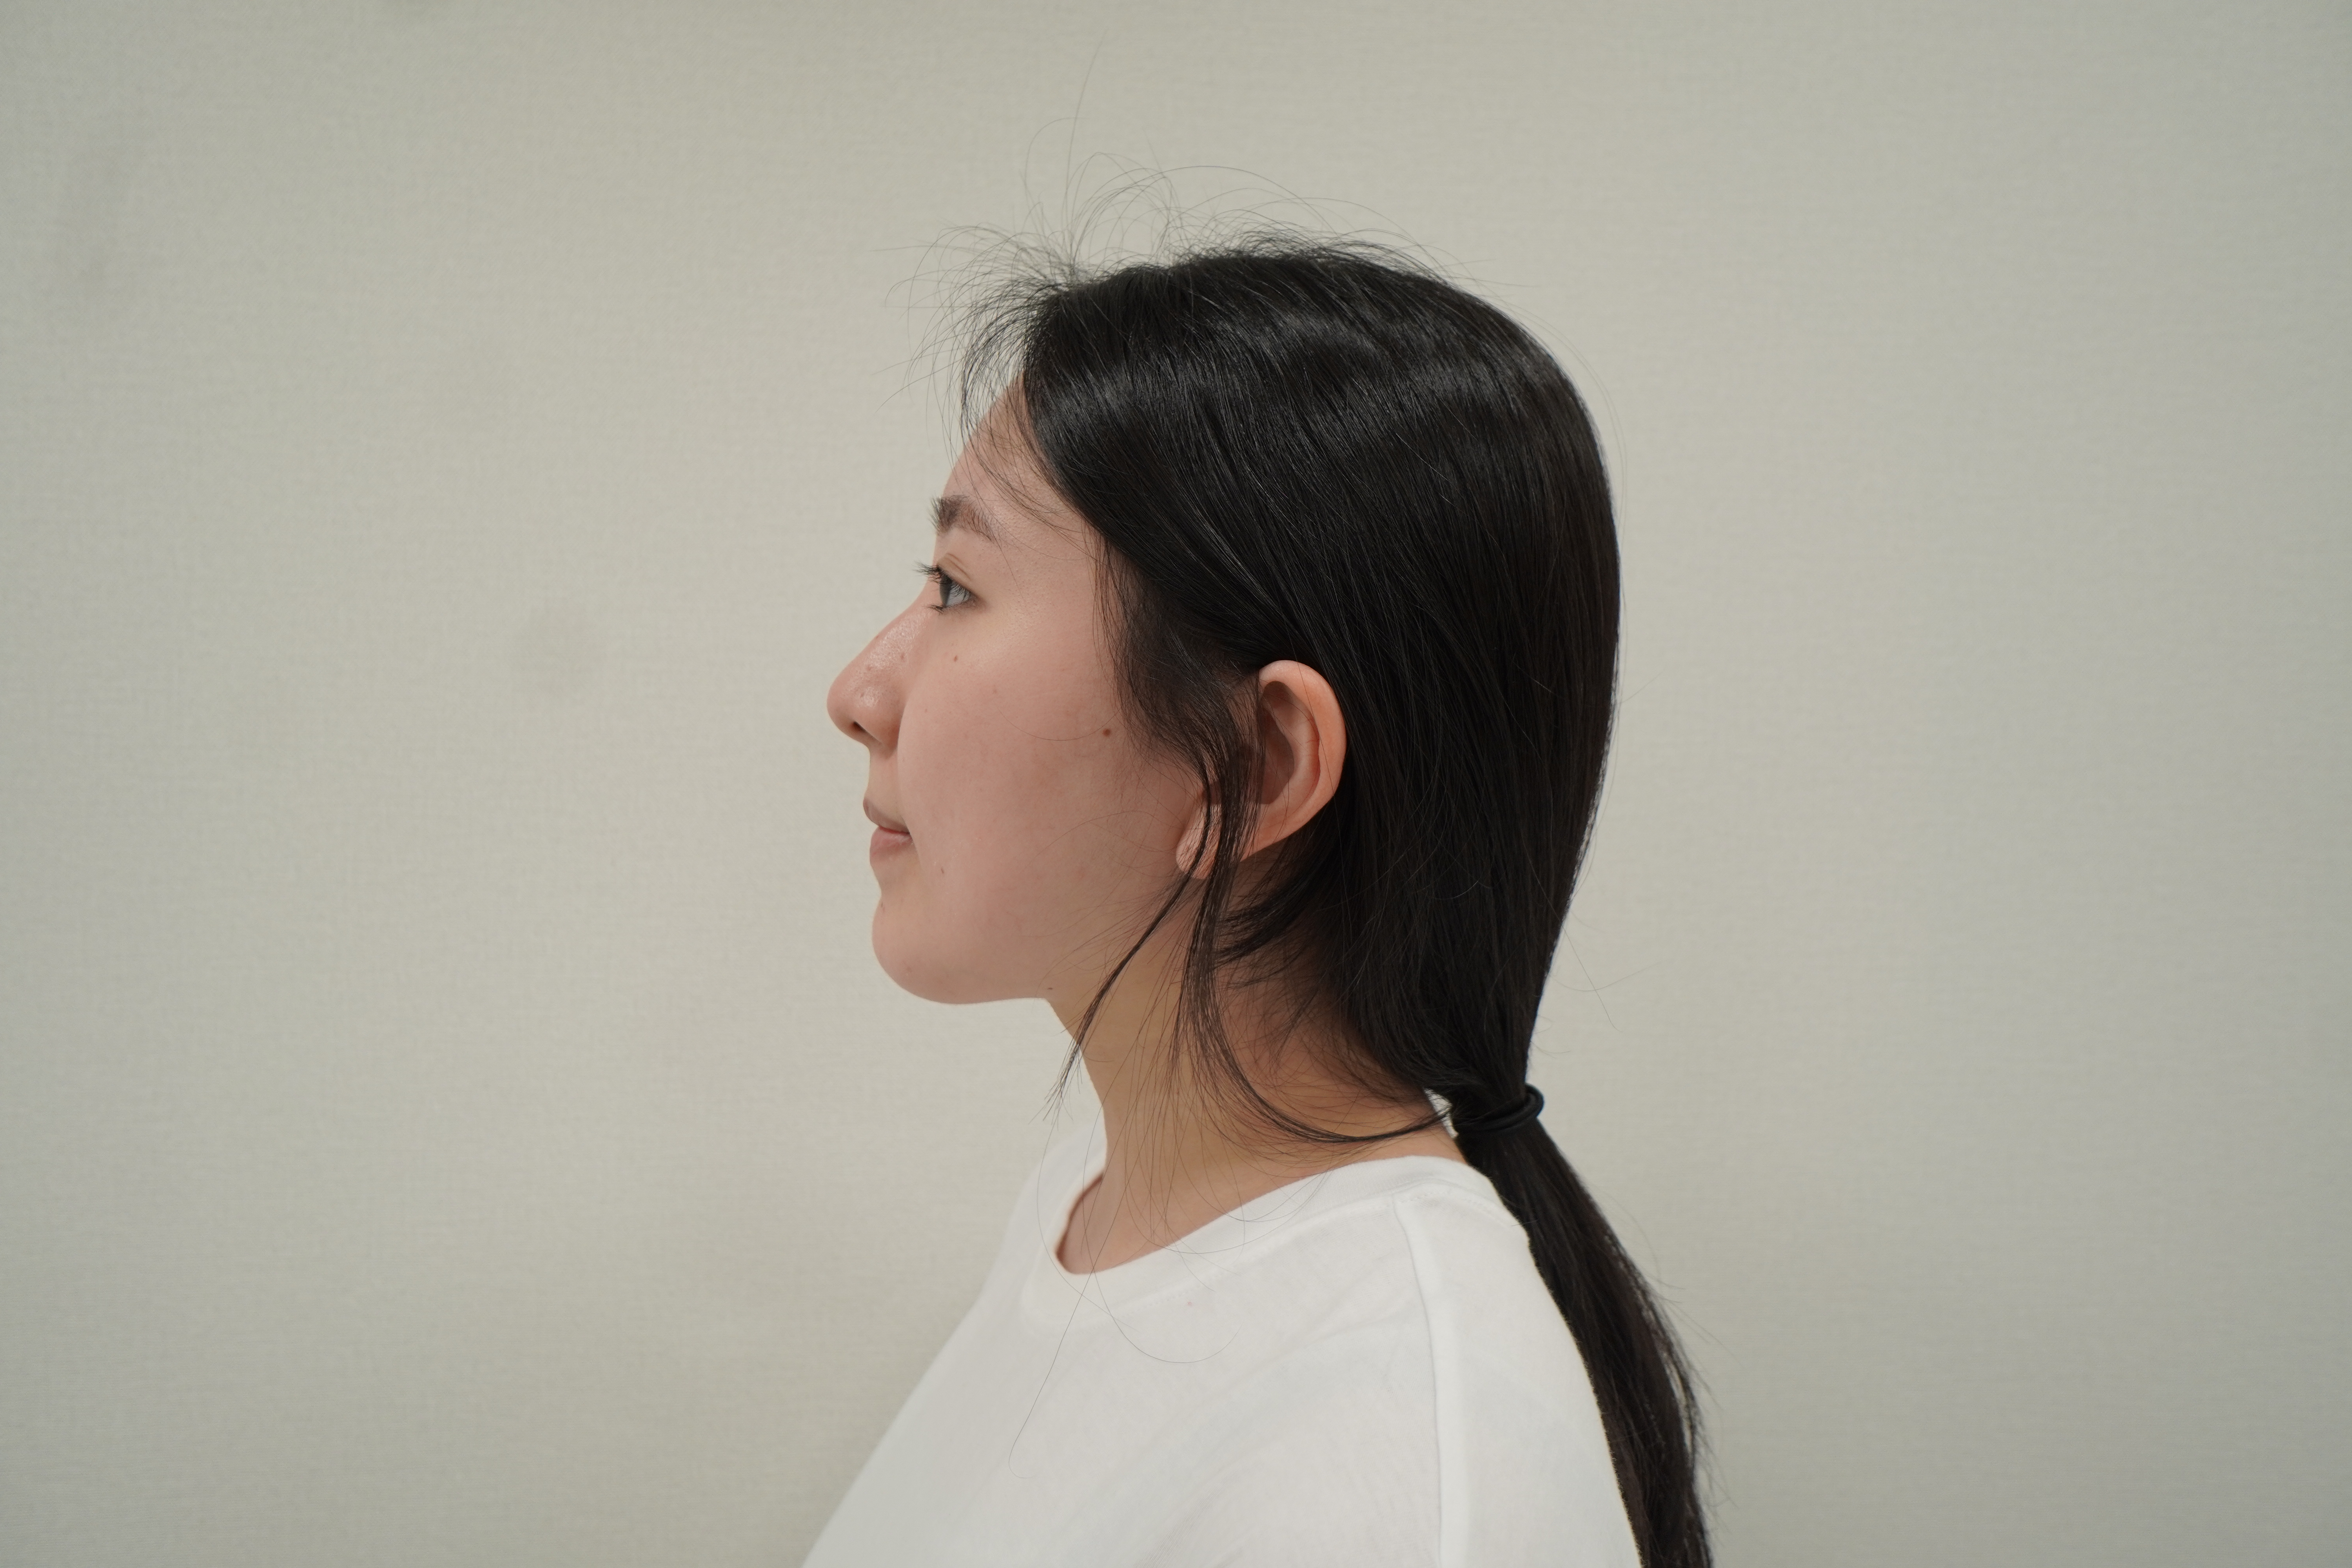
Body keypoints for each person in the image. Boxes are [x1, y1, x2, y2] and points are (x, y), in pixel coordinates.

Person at [810, 233, 1708, 1567]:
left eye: (958, 588)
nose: (859, 693)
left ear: (1255, 766)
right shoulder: (1097, 1213)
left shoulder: (1400, 1477)